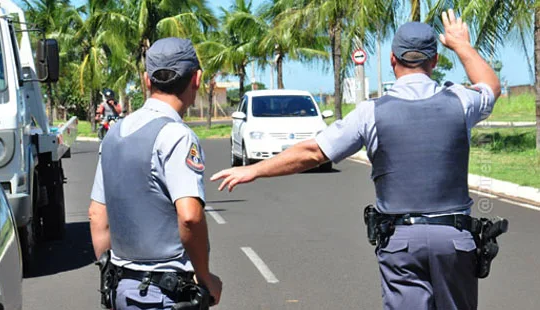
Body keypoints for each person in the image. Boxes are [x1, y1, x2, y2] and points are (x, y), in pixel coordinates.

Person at [211, 10, 501, 310]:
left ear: (392, 60)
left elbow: (313, 152)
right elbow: (490, 86)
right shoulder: (462, 102)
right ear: (435, 61)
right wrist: (462, 45)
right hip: (454, 240)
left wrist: (254, 169)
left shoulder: (371, 112)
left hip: (401, 242)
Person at [89, 37, 222, 309]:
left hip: (122, 289)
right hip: (165, 295)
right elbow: (189, 217)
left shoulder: (115, 133)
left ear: (147, 81)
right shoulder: (176, 136)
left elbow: (96, 214)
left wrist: (111, 275)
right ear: (196, 79)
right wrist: (205, 277)